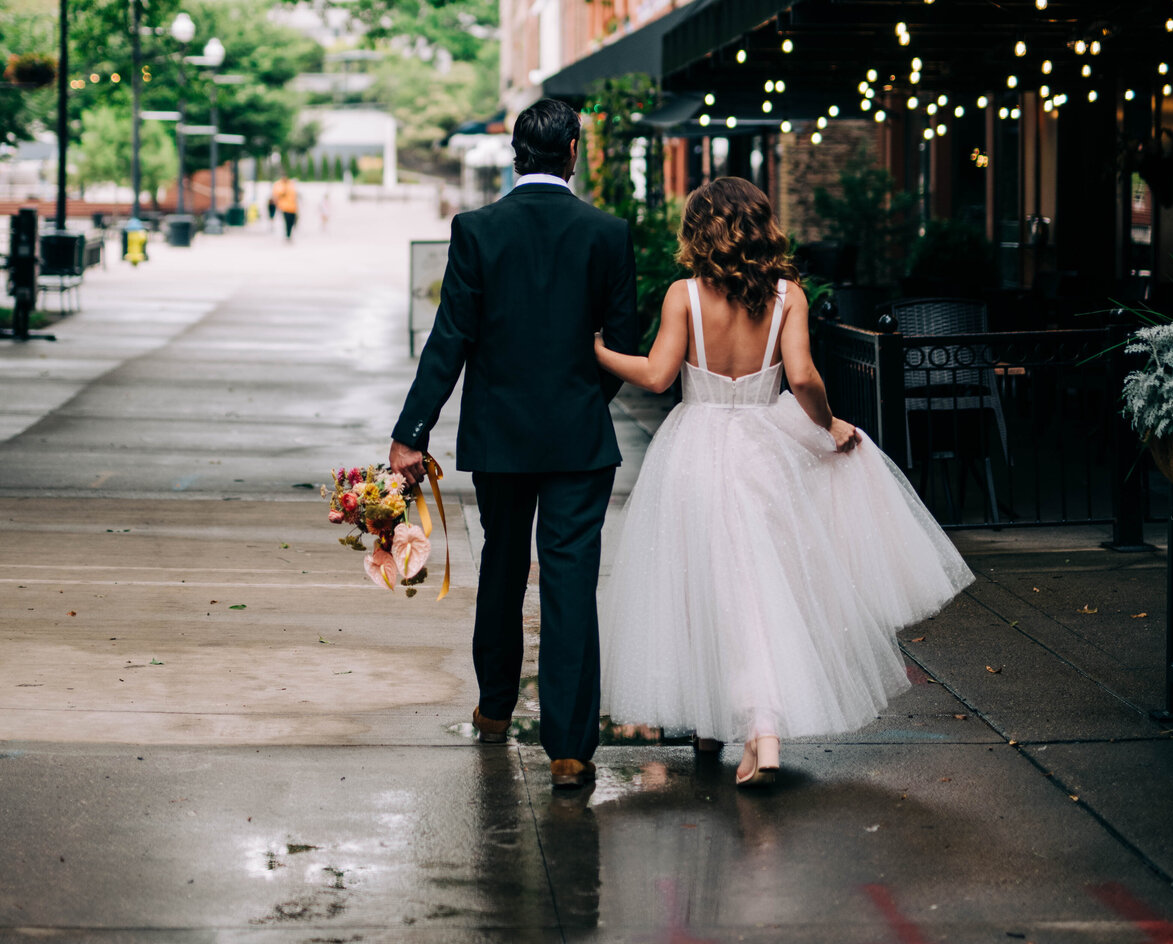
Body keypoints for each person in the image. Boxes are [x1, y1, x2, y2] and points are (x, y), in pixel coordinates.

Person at [595, 176, 973, 788]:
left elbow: (659, 374)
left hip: (693, 451)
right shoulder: (787, 295)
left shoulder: (683, 295)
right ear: (762, 226)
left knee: (702, 587)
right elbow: (802, 378)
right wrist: (828, 427)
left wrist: (598, 352)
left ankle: (741, 727)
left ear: (700, 230)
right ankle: (758, 732)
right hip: (763, 450)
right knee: (759, 589)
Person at [389, 97, 640, 790]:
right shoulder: (608, 232)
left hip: (498, 438)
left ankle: (496, 708)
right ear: (574, 152)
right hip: (579, 440)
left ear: (514, 155)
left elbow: (449, 340)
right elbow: (622, 346)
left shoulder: (477, 229)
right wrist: (584, 403)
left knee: (502, 566)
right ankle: (568, 749)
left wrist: (411, 433)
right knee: (569, 583)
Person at [271, 175, 299, 240]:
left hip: (293, 208)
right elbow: (276, 195)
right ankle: (288, 234)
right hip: (284, 207)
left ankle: (289, 233)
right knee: (287, 221)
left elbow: (295, 196)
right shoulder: (279, 185)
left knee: (291, 222)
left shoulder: (291, 184)